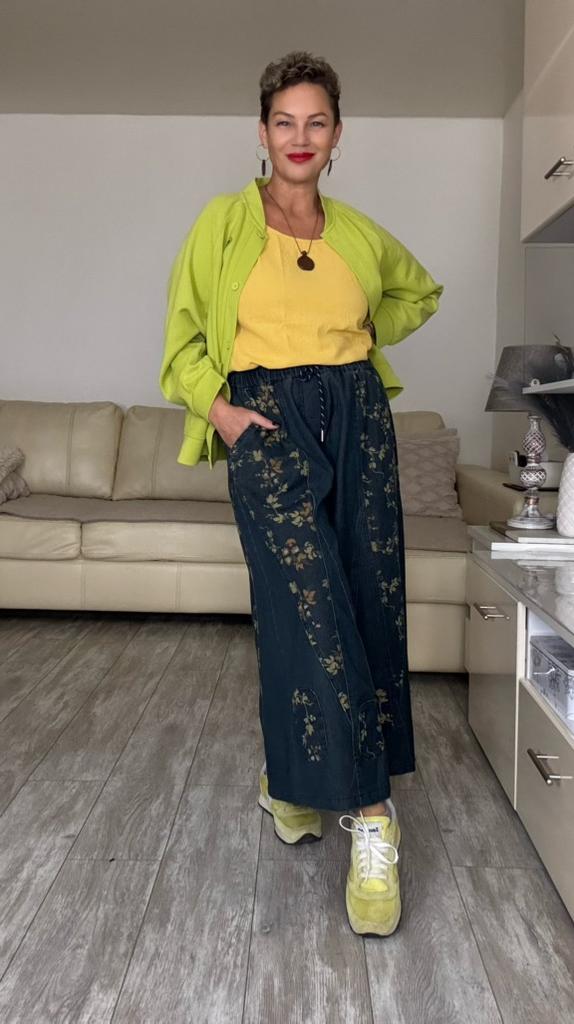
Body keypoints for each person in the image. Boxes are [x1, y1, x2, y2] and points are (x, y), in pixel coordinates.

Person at [159, 50, 443, 937]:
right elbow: (179, 345)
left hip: (357, 417)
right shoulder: (223, 224)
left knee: (365, 601)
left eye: (316, 122)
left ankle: (291, 784)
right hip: (265, 423)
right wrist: (225, 412)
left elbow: (420, 294)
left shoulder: (356, 232)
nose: (300, 136)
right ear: (262, 131)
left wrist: (360, 333)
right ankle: (373, 816)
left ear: (337, 136)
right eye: (285, 121)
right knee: (306, 607)